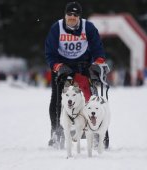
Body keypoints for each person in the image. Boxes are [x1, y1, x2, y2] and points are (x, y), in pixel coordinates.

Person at [45, 1, 108, 147]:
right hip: (62, 65)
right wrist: (58, 66)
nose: (72, 17)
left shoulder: (88, 27)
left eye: (75, 15)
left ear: (79, 16)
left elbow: (98, 48)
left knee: (92, 97)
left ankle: (98, 131)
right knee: (57, 97)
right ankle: (56, 131)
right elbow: (50, 53)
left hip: (83, 65)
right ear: (65, 15)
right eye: (69, 14)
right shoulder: (57, 28)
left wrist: (97, 64)